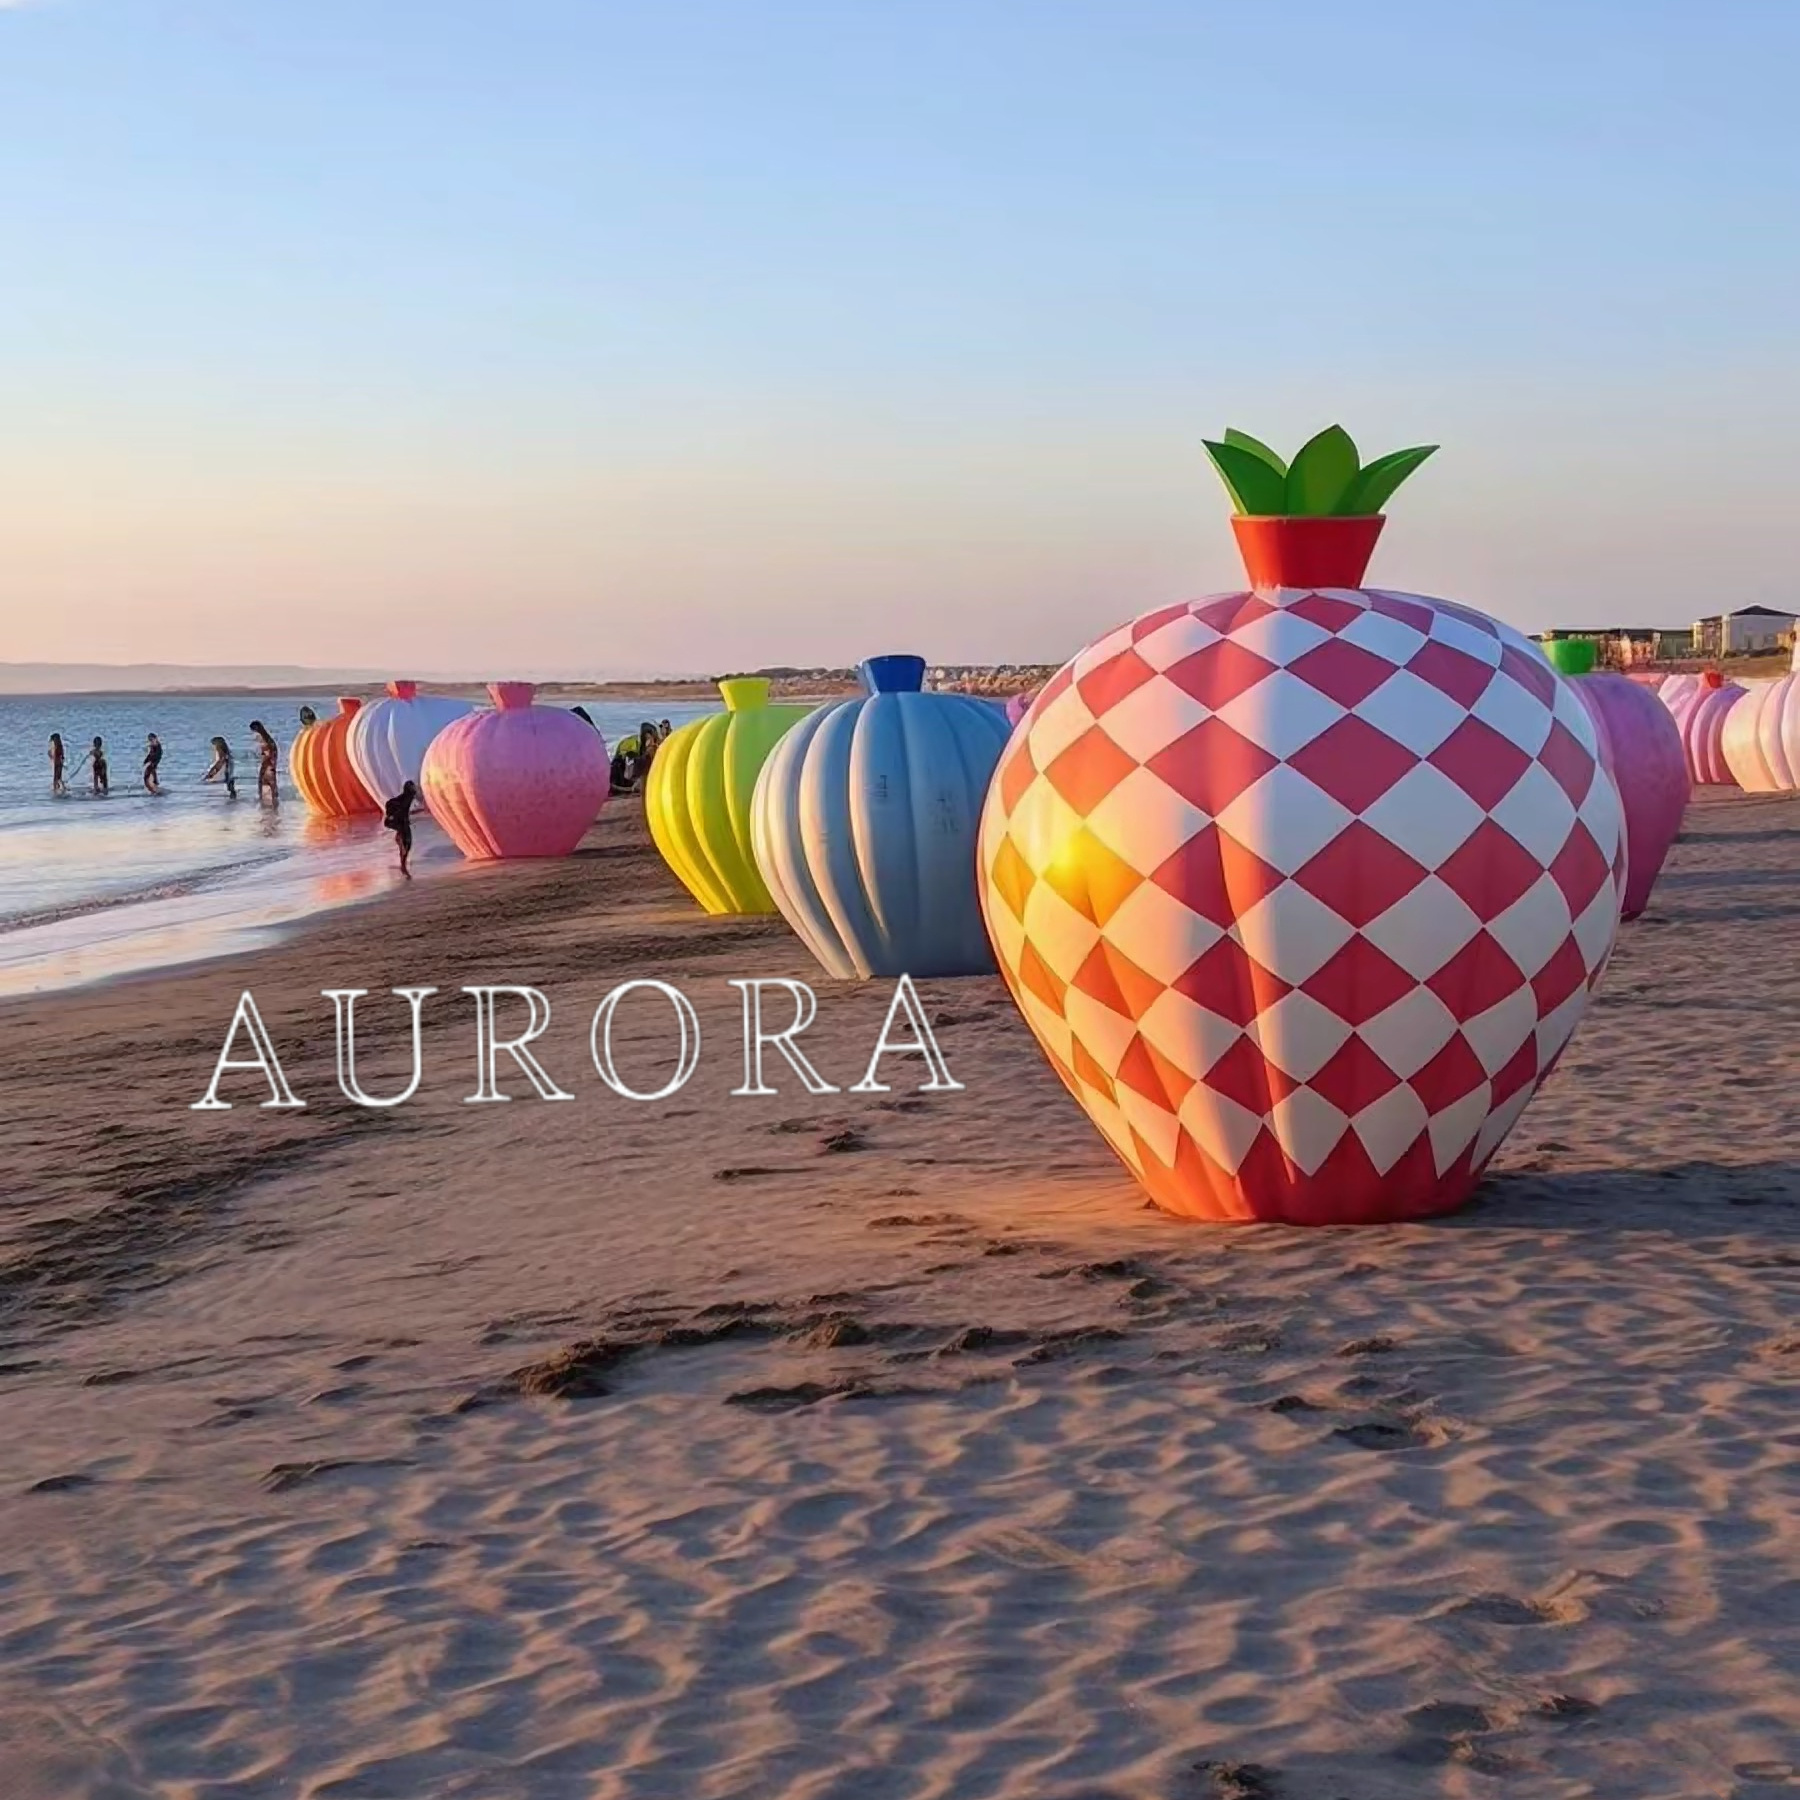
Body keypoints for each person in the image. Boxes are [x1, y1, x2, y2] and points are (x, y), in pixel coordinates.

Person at [382, 780, 421, 876]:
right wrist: (392, 815)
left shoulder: (407, 797)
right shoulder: (408, 796)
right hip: (398, 822)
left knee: (406, 844)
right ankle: (403, 867)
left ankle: (403, 866)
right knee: (406, 844)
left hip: (399, 822)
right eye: (413, 787)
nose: (415, 789)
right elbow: (399, 808)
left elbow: (403, 808)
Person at [249, 720, 280, 805]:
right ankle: (272, 803)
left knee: (265, 783)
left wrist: (265, 761)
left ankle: (269, 804)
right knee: (270, 784)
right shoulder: (266, 738)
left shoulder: (264, 739)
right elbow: (273, 751)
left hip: (268, 763)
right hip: (270, 763)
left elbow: (269, 752)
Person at [202, 736, 238, 800]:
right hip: (228, 769)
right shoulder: (227, 753)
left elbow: (219, 762)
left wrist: (211, 773)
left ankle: (232, 802)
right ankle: (233, 802)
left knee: (229, 786)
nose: (214, 747)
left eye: (214, 745)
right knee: (230, 787)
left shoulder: (221, 752)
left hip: (225, 769)